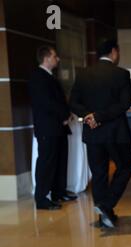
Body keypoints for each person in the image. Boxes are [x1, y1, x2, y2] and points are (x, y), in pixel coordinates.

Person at [70, 39, 131, 228]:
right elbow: (124, 104)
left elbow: (73, 102)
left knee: (98, 173)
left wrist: (89, 116)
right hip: (116, 132)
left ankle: (104, 215)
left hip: (92, 132)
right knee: (125, 167)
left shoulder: (83, 74)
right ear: (114, 52)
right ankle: (106, 205)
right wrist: (99, 116)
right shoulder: (121, 74)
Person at [29, 46, 77, 210]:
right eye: (55, 56)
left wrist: (66, 114)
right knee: (47, 162)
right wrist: (64, 115)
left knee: (60, 160)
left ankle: (59, 192)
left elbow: (57, 100)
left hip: (58, 127)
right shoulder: (38, 77)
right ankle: (42, 198)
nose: (58, 59)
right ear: (47, 58)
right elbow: (46, 103)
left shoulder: (49, 77)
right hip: (48, 128)